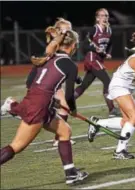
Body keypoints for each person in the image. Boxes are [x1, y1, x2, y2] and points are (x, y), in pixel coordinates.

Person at [0, 30, 89, 184]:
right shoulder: (70, 65)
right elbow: (68, 96)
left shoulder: (47, 57)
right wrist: (73, 110)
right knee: (17, 146)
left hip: (36, 101)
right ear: (73, 46)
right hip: (39, 107)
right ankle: (12, 106)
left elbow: (30, 83)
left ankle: (71, 174)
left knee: (64, 131)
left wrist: (49, 97)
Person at [14, 18, 77, 147]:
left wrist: (75, 78)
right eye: (66, 30)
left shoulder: (58, 45)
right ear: (58, 31)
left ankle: (59, 136)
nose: (68, 32)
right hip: (42, 84)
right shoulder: (54, 46)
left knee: (60, 107)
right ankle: (14, 108)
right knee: (59, 106)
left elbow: (64, 67)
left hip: (48, 84)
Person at [74, 8, 120, 117]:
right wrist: (95, 49)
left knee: (84, 85)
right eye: (102, 16)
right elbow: (84, 45)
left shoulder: (109, 30)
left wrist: (107, 53)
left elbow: (110, 44)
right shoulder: (94, 29)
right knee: (108, 82)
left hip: (99, 60)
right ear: (97, 18)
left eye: (107, 16)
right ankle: (112, 109)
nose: (105, 18)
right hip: (92, 59)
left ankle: (64, 102)